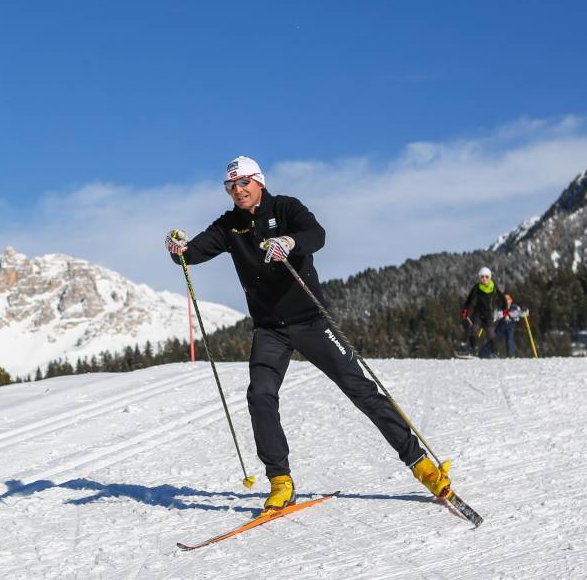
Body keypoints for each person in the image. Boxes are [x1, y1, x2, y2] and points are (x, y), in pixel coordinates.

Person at [165, 156, 450, 511]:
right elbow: (191, 254)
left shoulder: (285, 207)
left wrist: (288, 242)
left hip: (311, 321)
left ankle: (421, 465)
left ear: (259, 182)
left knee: (360, 390)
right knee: (260, 395)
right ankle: (280, 480)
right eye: (231, 186)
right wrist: (179, 248)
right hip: (270, 329)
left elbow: (317, 235)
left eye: (243, 184)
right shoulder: (229, 226)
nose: (238, 191)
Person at [461, 268, 506, 359]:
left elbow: (502, 298)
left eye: (486, 277)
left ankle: (495, 353)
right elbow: (469, 299)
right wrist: (465, 310)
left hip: (489, 314)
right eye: (482, 277)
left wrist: (504, 308)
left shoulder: (493, 287)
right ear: (479, 277)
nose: (484, 279)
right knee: (474, 330)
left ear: (490, 277)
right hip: (478, 313)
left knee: (491, 333)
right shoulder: (477, 287)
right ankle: (474, 351)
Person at [496, 292, 522, 358]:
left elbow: (519, 313)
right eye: (504, 299)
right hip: (501, 326)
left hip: (511, 325)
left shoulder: (515, 307)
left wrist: (524, 312)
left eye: (508, 299)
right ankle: (485, 354)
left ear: (511, 300)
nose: (506, 300)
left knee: (510, 339)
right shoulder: (499, 307)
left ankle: (511, 355)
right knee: (494, 338)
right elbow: (497, 315)